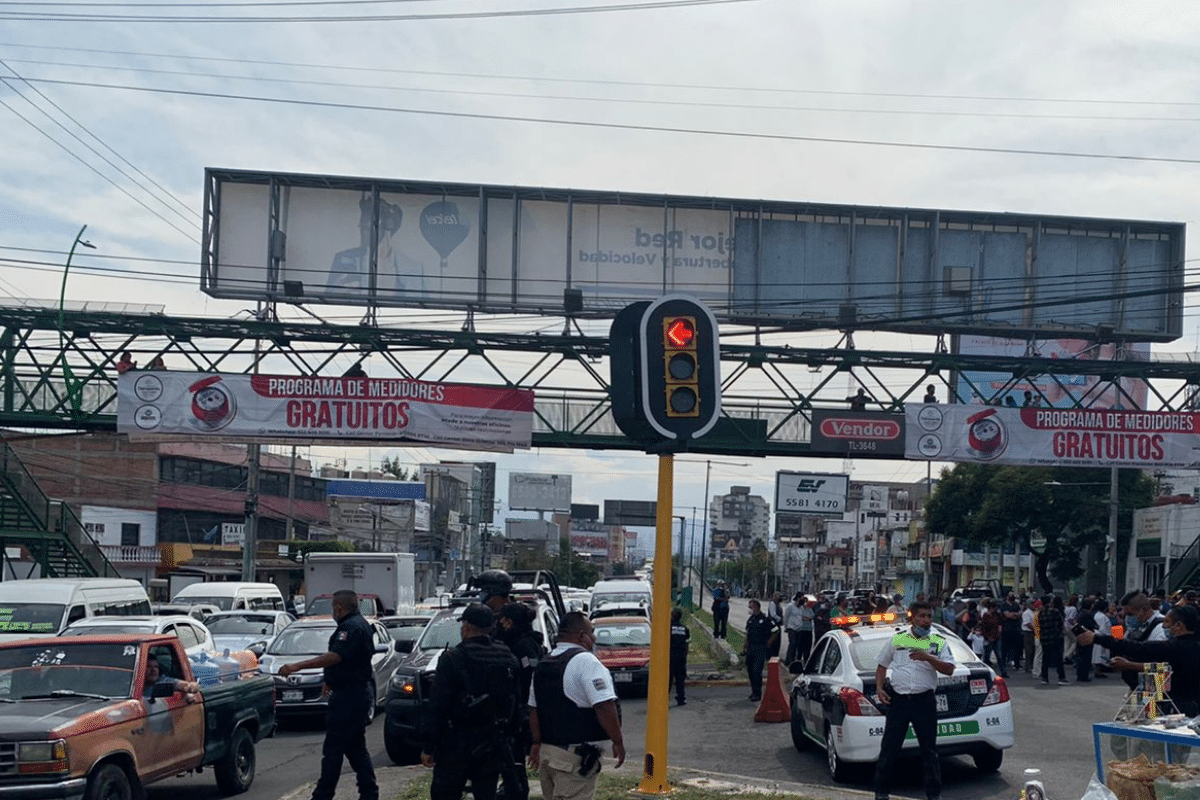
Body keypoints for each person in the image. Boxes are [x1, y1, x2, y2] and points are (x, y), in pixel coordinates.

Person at [279, 589, 378, 800]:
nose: (334, 612)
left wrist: (297, 666)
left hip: (349, 698)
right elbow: (349, 661)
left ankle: (323, 795)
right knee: (355, 748)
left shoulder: (351, 628)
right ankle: (369, 793)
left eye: (334, 608)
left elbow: (335, 657)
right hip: (353, 693)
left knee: (333, 751)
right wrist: (329, 680)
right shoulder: (359, 624)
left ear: (339, 608)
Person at [422, 604, 520, 800]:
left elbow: (438, 705)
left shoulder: (453, 657)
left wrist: (429, 746)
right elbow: (515, 699)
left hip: (457, 742)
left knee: (445, 793)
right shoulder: (507, 655)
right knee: (486, 793)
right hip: (493, 740)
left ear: (466, 627)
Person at [529, 612, 625, 800]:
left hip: (548, 754)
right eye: (592, 632)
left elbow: (533, 709)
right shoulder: (586, 662)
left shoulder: (544, 664)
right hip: (573, 758)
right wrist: (617, 741)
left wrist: (536, 742)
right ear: (582, 636)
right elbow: (604, 705)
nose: (594, 637)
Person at [874, 601, 956, 800]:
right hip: (899, 702)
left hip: (924, 702)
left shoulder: (937, 641)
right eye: (922, 616)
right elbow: (881, 665)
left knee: (929, 751)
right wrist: (879, 687)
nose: (926, 620)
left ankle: (933, 795)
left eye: (929, 616)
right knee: (889, 749)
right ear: (913, 618)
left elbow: (949, 669)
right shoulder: (898, 639)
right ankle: (881, 793)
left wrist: (929, 658)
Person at [1078, 605, 1200, 716]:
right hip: (1178, 704)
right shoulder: (1189, 646)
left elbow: (1139, 649)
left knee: (1147, 725)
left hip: (1176, 707)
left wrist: (1097, 639)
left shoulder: (1174, 647)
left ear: (1179, 626)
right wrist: (1130, 665)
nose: (1163, 626)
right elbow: (1163, 668)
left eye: (1167, 622)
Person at [496, 602, 546, 800]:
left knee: (515, 756)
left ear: (512, 621)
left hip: (521, 712)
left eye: (505, 620)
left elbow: (530, 677)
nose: (501, 623)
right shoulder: (513, 641)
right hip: (514, 709)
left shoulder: (524, 645)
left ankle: (516, 790)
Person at [742, 599, 774, 702]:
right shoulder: (751, 620)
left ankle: (758, 693)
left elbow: (775, 631)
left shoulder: (765, 619)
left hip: (760, 648)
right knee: (750, 670)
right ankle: (753, 691)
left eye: (751, 607)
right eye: (749, 607)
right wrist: (745, 646)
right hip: (751, 647)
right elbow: (748, 634)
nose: (750, 609)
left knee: (757, 671)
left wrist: (769, 642)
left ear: (757, 607)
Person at [1038, 594, 1069, 686]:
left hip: (1044, 637)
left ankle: (1044, 678)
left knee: (1045, 658)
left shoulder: (1041, 612)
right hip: (1055, 637)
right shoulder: (1055, 612)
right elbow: (1060, 623)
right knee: (1058, 658)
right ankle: (1061, 677)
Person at [783, 593, 814, 665]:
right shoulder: (790, 606)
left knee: (797, 645)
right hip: (791, 627)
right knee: (792, 644)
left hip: (799, 628)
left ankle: (793, 659)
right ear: (797, 598)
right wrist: (786, 627)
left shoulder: (801, 608)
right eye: (802, 598)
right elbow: (785, 617)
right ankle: (789, 660)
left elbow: (802, 616)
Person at [668, 607, 690, 706]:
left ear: (672, 616)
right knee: (680, 680)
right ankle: (681, 698)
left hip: (670, 657)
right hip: (681, 657)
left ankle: (665, 698)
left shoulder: (668, 628)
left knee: (668, 679)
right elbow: (686, 645)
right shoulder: (684, 629)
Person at [999, 592, 1023, 673]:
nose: (1012, 597)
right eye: (1010, 595)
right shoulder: (1004, 605)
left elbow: (1020, 614)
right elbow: (1007, 615)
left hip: (1016, 629)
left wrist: (1013, 614)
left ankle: (1017, 664)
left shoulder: (1016, 604)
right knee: (1004, 647)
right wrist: (1014, 615)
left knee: (1017, 647)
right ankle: (1003, 663)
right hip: (1006, 629)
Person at [765, 593, 784, 659]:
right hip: (773, 624)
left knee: (778, 639)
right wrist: (780, 619)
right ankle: (771, 655)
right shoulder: (772, 604)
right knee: (774, 638)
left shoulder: (778, 604)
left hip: (777, 624)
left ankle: (775, 654)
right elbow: (773, 614)